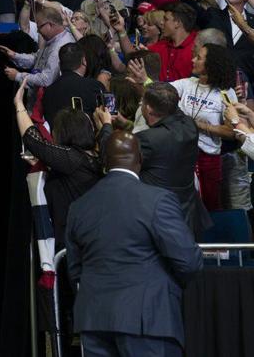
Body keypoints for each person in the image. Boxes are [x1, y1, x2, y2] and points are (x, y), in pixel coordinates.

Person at [66, 130, 203, 357]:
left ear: (104, 162)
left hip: (94, 320)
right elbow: (188, 261)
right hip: (148, 320)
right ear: (140, 159)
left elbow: (74, 270)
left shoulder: (79, 206)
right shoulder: (158, 200)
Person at [95, 82, 212, 238]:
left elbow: (111, 156)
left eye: (142, 102)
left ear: (148, 109)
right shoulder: (189, 125)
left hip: (158, 217)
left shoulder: (149, 140)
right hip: (187, 214)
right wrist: (128, 124)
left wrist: (106, 126)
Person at [14, 78, 102, 248]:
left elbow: (34, 141)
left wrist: (19, 104)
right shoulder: (93, 157)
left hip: (74, 243)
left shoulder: (72, 159)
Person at [171, 43, 237, 211]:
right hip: (181, 156)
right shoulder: (187, 83)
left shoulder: (225, 93)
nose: (193, 60)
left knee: (209, 208)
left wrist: (198, 125)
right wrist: (144, 80)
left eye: (198, 58)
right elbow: (160, 92)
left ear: (211, 65)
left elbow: (232, 132)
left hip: (207, 160)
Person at [0, 6, 76, 97]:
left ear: (50, 25)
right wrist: (15, 55)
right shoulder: (52, 40)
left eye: (39, 27)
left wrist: (18, 76)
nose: (37, 31)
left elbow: (46, 80)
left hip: (49, 101)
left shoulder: (61, 47)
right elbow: (37, 59)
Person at [42, 43, 106, 127]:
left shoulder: (48, 92)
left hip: (56, 139)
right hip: (88, 138)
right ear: (84, 61)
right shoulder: (95, 87)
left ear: (60, 65)